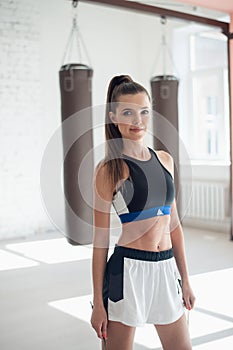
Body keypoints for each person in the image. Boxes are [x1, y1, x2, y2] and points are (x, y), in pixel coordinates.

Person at [90, 75, 195, 350]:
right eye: (127, 112)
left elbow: (174, 226)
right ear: (113, 117)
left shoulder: (165, 160)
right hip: (128, 272)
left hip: (165, 267)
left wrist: (185, 281)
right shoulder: (109, 170)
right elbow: (100, 243)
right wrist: (98, 304)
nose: (138, 121)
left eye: (144, 112)